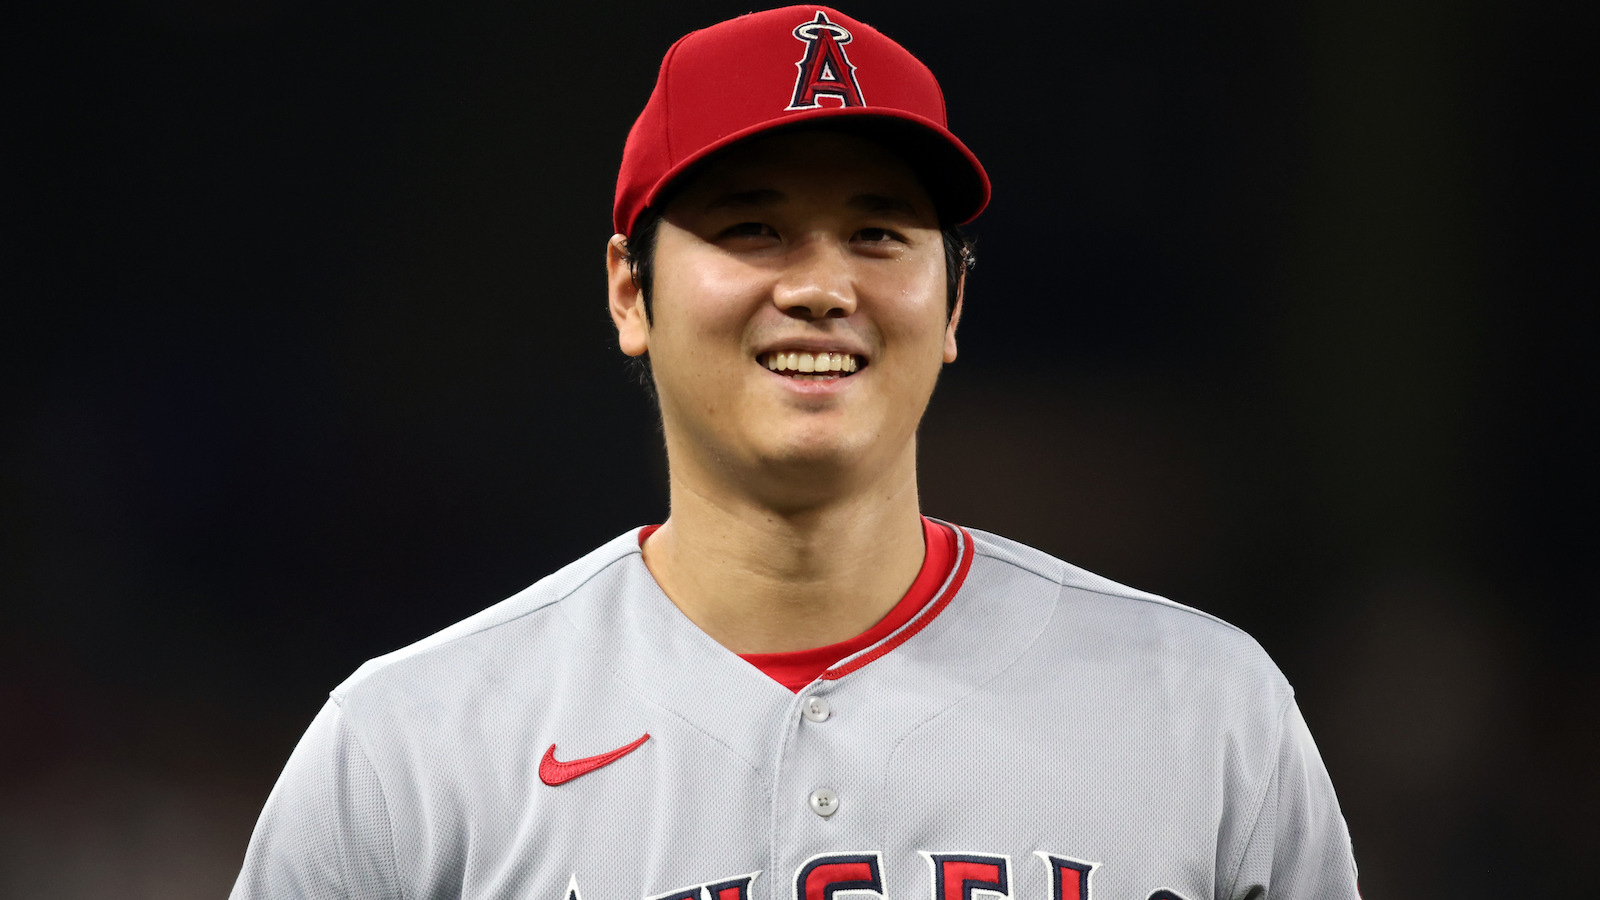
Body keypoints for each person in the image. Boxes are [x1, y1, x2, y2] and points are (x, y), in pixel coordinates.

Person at [231, 7, 1359, 899]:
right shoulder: (411, 748)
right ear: (632, 290)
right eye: (751, 228)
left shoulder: (1204, 715)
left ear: (954, 300)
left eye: (878, 231)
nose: (821, 287)